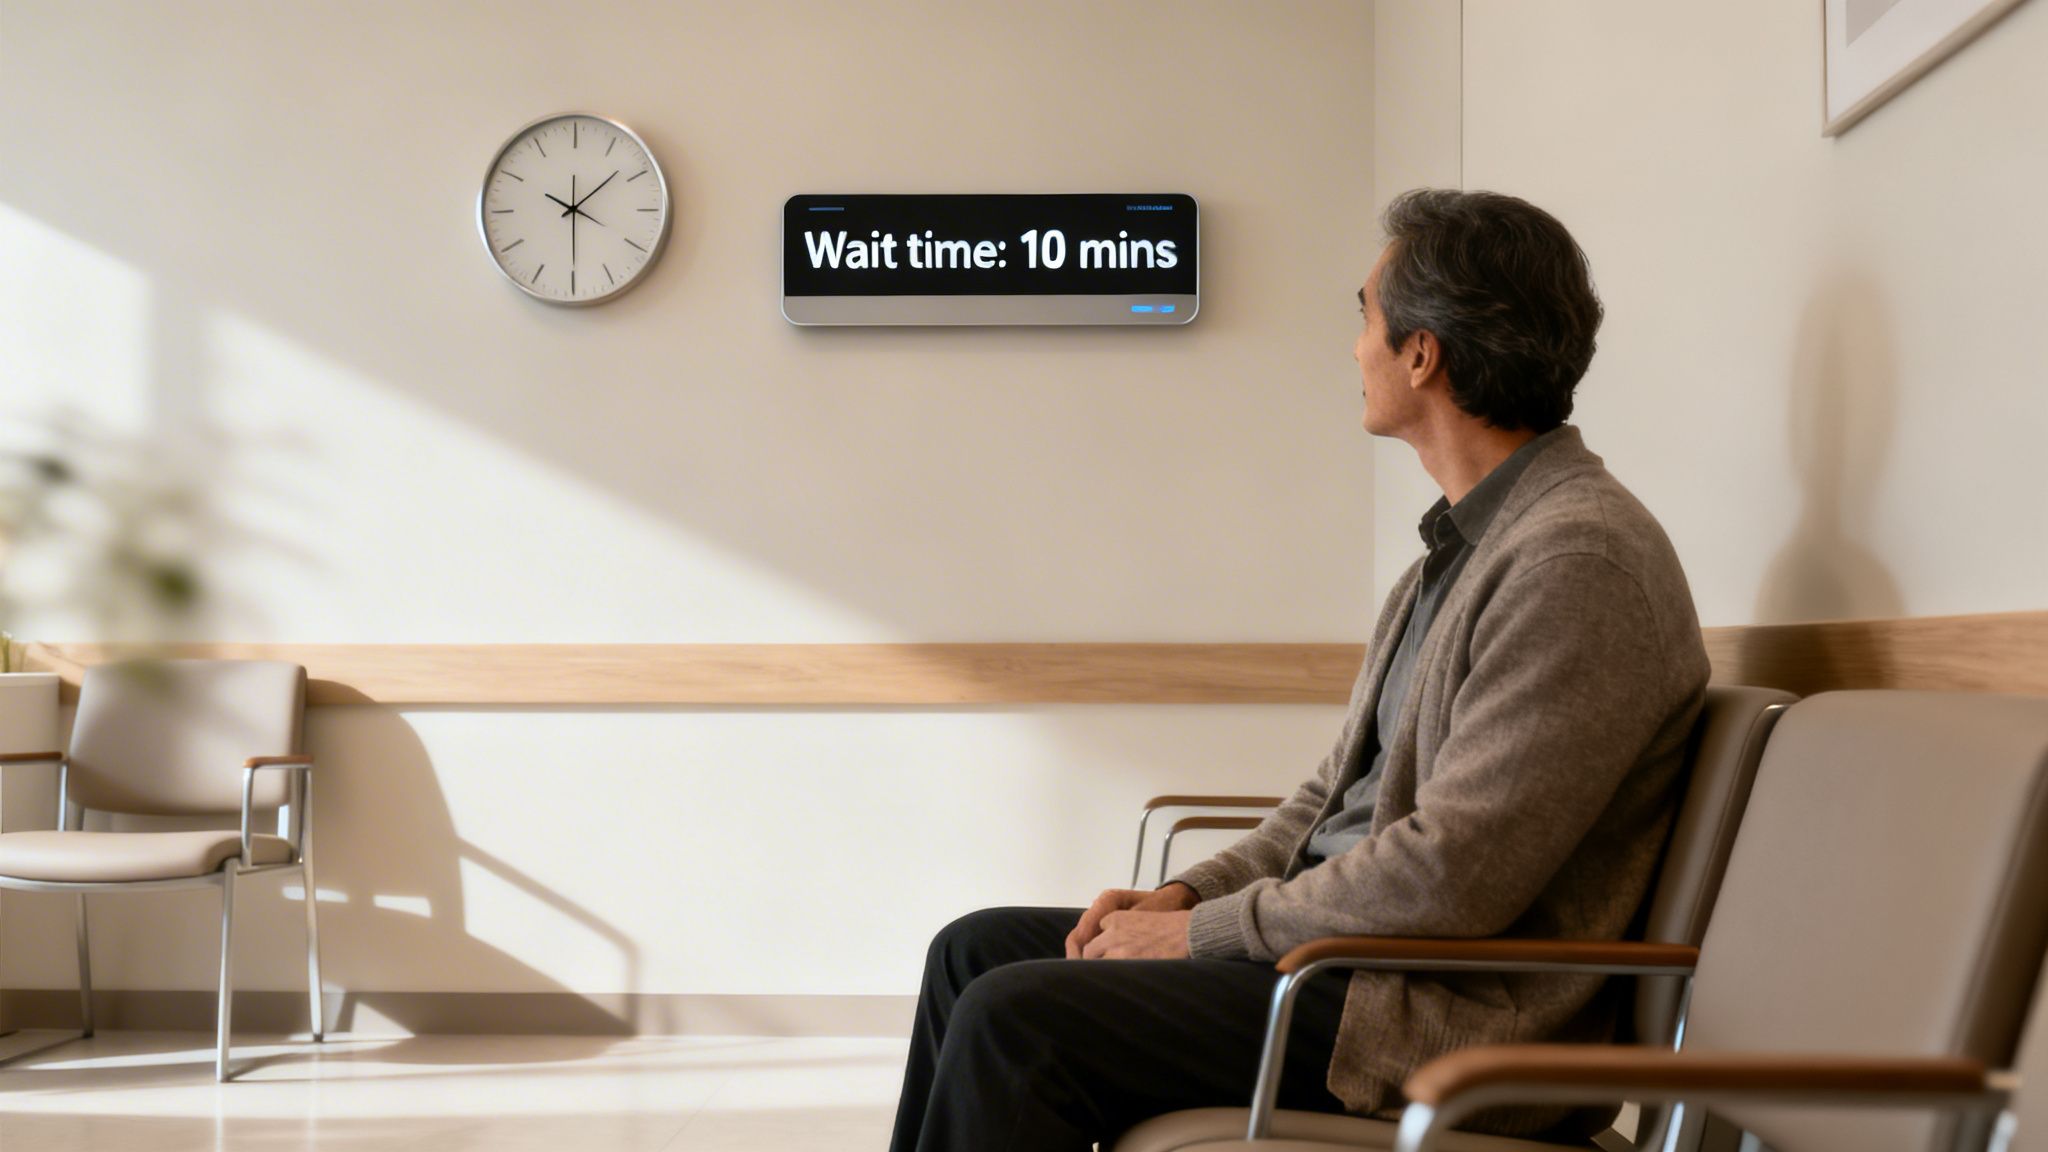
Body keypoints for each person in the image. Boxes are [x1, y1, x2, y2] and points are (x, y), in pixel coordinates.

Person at [887, 189, 1712, 1152]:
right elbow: (1330, 803)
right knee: (973, 953)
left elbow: (1452, 876)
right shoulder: (1454, 557)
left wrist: (1202, 939)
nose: (1355, 345)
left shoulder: (1577, 562)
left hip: (1430, 1016)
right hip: (1348, 966)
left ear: (1421, 351)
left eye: (1363, 314)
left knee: (1016, 1022)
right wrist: (1187, 899)